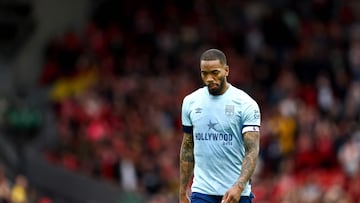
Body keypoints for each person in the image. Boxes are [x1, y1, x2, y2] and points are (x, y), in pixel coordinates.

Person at [179, 49, 261, 203]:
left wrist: (239, 186)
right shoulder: (190, 102)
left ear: (226, 70)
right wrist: (183, 191)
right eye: (204, 73)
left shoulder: (246, 104)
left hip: (236, 193)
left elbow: (252, 150)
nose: (209, 78)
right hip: (202, 191)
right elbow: (187, 147)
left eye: (215, 72)